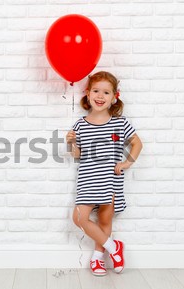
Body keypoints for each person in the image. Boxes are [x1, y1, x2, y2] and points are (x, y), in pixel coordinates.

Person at [66, 71, 143, 276]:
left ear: (114, 97)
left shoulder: (120, 123)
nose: (100, 96)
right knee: (80, 218)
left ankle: (98, 259)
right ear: (88, 93)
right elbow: (77, 154)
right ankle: (113, 247)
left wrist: (127, 162)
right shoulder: (80, 125)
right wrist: (71, 143)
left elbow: (137, 143)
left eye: (106, 92)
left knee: (105, 220)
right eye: (96, 91)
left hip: (109, 180)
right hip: (88, 179)